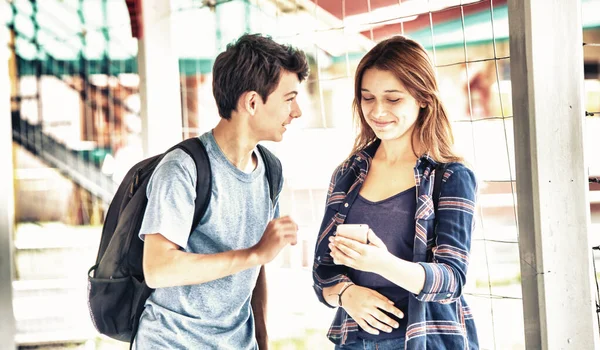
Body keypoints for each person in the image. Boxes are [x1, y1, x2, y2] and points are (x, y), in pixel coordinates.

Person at [133, 33, 309, 349]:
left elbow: (255, 269)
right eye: (289, 98)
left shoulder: (271, 170)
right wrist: (254, 253)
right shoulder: (183, 169)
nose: (296, 112)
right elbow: (157, 269)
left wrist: (262, 339)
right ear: (252, 102)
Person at [312, 35, 479, 350]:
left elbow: (451, 280)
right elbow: (323, 270)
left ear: (423, 98)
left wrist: (380, 262)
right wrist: (347, 294)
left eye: (393, 99)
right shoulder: (348, 173)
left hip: (426, 340)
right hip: (354, 342)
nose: (377, 111)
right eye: (367, 98)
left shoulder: (451, 176)